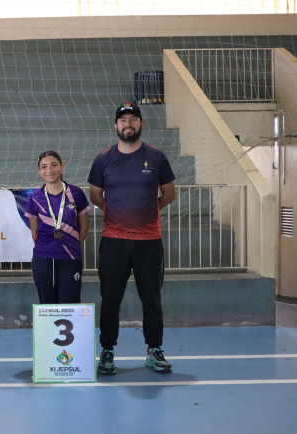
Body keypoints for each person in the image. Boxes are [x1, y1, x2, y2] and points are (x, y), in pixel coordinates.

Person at [88, 102, 176, 374]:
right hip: (114, 241)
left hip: (149, 242)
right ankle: (107, 350)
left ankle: (154, 350)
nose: (128, 124)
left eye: (133, 119)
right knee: (110, 300)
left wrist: (148, 209)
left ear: (141, 124)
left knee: (152, 300)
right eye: (123, 120)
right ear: (116, 126)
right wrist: (117, 211)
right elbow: (95, 195)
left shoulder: (157, 156)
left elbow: (169, 194)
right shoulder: (103, 159)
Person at [25, 150, 90, 304]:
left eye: (53, 165)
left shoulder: (76, 193)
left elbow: (84, 227)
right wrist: (48, 247)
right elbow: (34, 233)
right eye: (44, 167)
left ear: (62, 166)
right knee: (47, 305)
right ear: (39, 171)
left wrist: (72, 245)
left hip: (70, 258)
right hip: (43, 258)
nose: (49, 170)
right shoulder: (35, 198)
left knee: (70, 303)